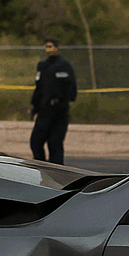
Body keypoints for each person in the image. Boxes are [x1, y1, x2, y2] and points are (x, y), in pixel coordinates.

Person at [29, 37, 78, 165]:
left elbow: (71, 88)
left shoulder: (64, 66)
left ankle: (57, 172)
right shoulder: (42, 66)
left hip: (59, 112)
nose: (48, 49)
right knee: (35, 142)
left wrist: (59, 100)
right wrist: (34, 106)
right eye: (46, 47)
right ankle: (41, 167)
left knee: (54, 143)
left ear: (56, 48)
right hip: (44, 111)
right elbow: (38, 88)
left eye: (50, 46)